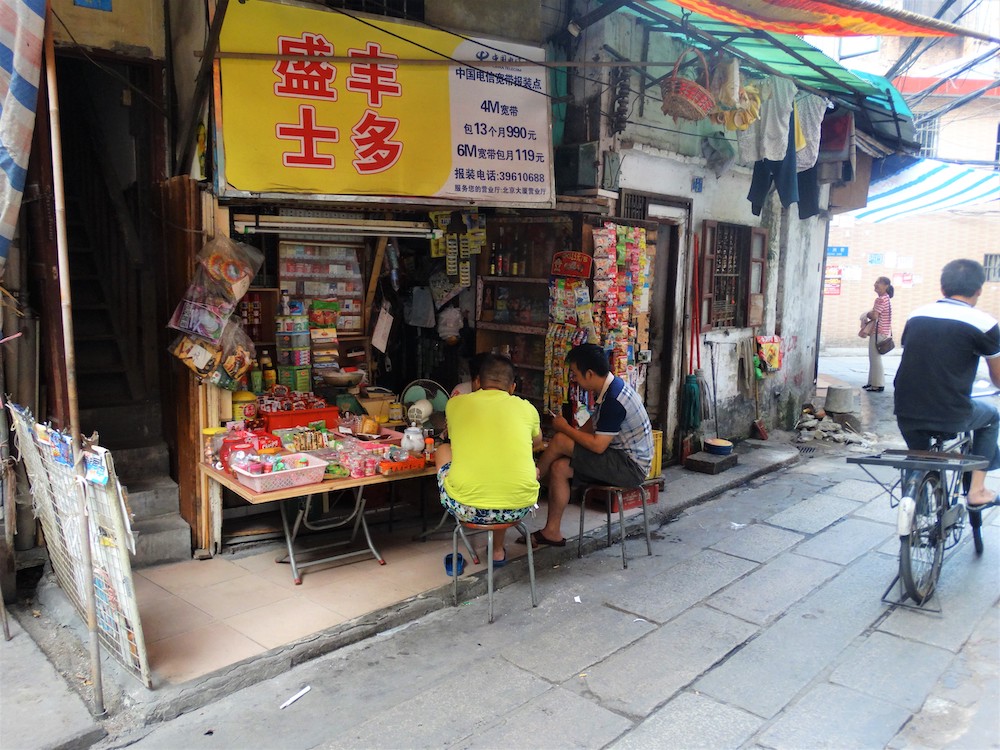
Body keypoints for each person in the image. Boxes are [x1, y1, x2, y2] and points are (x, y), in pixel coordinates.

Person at [524, 343, 654, 547]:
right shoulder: (610, 387)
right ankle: (551, 531)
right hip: (618, 458)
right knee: (559, 468)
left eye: (576, 374)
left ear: (590, 373)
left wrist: (565, 429)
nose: (574, 378)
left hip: (630, 467)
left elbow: (597, 446)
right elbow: (591, 426)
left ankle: (531, 480)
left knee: (560, 440)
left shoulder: (613, 399)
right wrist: (569, 431)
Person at [894, 259, 1000, 509]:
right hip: (952, 412)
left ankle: (915, 510)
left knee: (919, 455)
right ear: (978, 290)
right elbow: (997, 378)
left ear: (943, 289)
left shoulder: (916, 315)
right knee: (993, 417)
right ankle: (977, 491)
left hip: (905, 410)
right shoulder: (984, 323)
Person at [436, 354, 542, 566]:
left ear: (476, 382)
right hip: (518, 507)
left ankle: (488, 544)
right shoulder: (528, 408)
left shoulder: (455, 404)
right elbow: (537, 442)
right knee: (510, 470)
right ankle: (497, 551)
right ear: (512, 387)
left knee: (444, 449)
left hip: (466, 507)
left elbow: (453, 437)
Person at [861, 276, 894, 392]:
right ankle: (871, 382)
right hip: (883, 332)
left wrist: (867, 314)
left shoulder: (880, 299)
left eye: (879, 283)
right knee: (873, 358)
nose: (875, 285)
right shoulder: (887, 298)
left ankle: (878, 385)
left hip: (878, 332)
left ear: (886, 286)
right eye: (875, 282)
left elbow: (875, 315)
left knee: (875, 359)